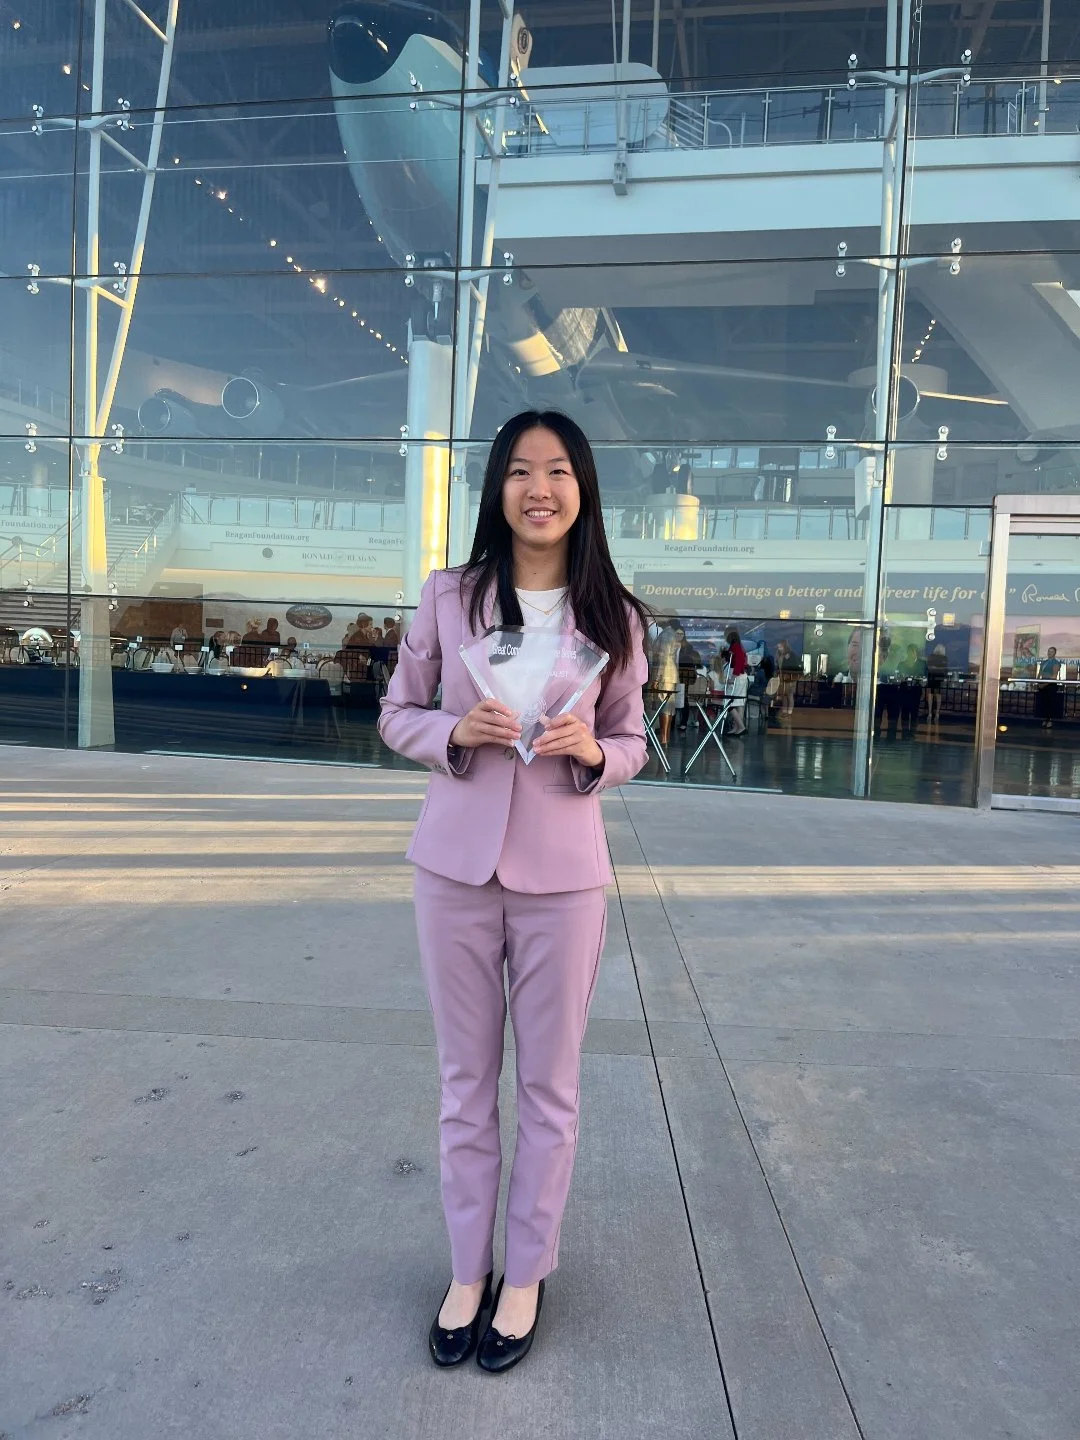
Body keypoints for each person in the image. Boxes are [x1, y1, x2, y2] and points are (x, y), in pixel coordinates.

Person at [378, 409, 648, 1374]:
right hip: (453, 869)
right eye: (523, 471)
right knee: (464, 1084)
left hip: (563, 879)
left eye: (561, 470)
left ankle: (525, 1272)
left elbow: (634, 741)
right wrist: (453, 734)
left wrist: (595, 756)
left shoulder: (616, 615)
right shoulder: (450, 597)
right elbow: (396, 713)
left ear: (583, 490)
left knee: (548, 1086)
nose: (542, 488)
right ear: (498, 488)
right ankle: (466, 1270)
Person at [720, 627, 749, 735]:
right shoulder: (739, 647)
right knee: (739, 703)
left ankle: (740, 726)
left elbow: (739, 663)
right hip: (740, 676)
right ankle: (738, 727)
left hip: (737, 677)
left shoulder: (735, 647)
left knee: (729, 702)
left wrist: (733, 677)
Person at [897, 643, 925, 739]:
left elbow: (925, 677)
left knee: (914, 712)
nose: (911, 654)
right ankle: (905, 732)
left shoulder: (922, 664)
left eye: (912, 652)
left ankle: (912, 732)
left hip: (915, 690)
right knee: (905, 712)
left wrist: (919, 680)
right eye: (909, 652)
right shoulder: (902, 664)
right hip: (904, 690)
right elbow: (898, 675)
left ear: (916, 653)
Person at [1036, 646, 1063, 729]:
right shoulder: (1044, 662)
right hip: (1042, 685)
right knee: (1044, 703)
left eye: (1051, 651)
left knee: (1050, 703)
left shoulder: (1056, 663)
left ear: (1055, 653)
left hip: (1050, 686)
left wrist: (1044, 684)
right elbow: (1039, 674)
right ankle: (1045, 718)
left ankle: (1050, 720)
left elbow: (1054, 676)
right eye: (1048, 651)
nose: (1049, 653)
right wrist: (1038, 682)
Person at [925, 643, 948, 725]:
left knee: (930, 695)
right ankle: (937, 713)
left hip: (931, 677)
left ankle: (930, 713)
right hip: (939, 678)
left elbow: (928, 667)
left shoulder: (931, 656)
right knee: (938, 696)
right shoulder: (944, 658)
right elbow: (945, 669)